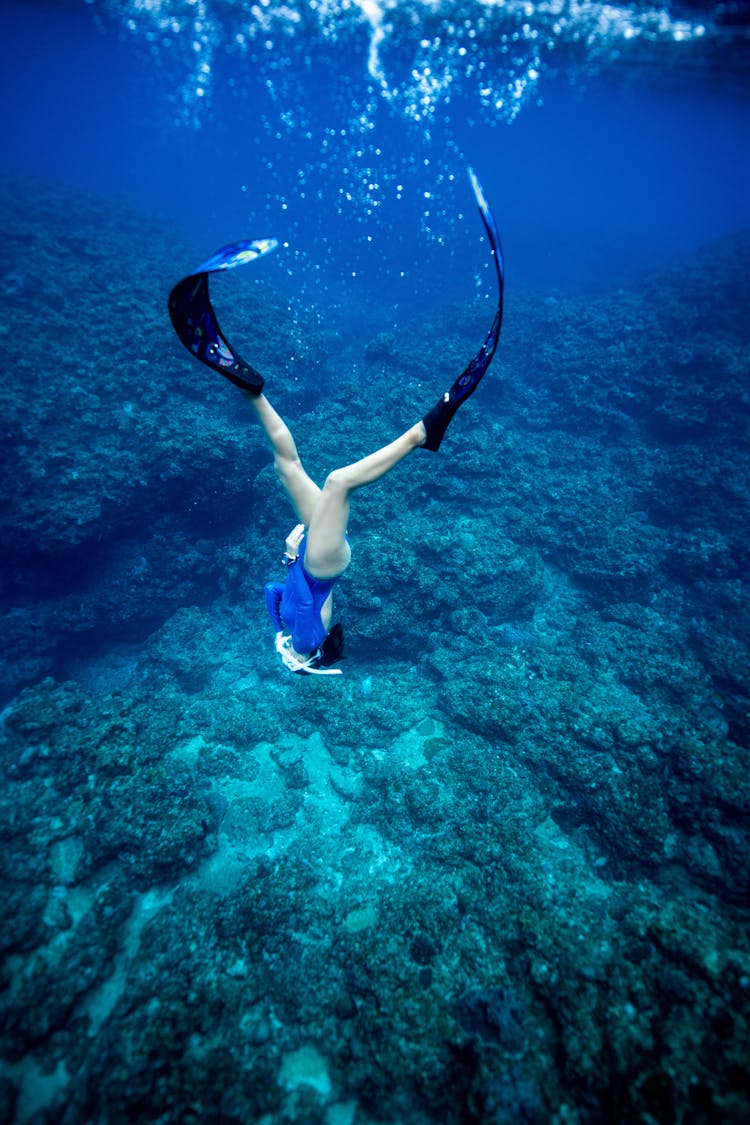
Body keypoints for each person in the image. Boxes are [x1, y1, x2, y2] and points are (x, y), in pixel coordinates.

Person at [168, 170, 503, 675]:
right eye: (298, 656)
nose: (290, 653)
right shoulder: (304, 639)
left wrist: (287, 562)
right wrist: (295, 652)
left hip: (308, 562)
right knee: (338, 481)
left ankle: (249, 390)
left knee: (286, 466)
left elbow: (272, 591)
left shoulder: (292, 631)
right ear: (312, 653)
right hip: (322, 566)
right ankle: (421, 433)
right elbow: (291, 610)